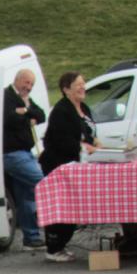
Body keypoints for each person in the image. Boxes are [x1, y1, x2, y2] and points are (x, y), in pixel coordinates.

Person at [38, 71, 101, 262]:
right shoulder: (61, 111)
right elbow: (60, 141)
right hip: (58, 165)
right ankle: (54, 247)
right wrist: (85, 147)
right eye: (78, 85)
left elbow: (90, 132)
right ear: (66, 89)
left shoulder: (84, 108)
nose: (83, 87)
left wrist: (97, 143)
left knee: (73, 206)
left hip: (78, 165)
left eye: (84, 84)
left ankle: (62, 244)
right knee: (62, 206)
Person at [2, 68, 47, 250]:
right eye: (26, 82)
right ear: (17, 80)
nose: (28, 87)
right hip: (13, 154)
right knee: (43, 182)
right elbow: (8, 119)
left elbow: (41, 115)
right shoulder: (6, 96)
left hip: (26, 152)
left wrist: (26, 110)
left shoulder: (24, 100)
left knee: (26, 195)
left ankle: (31, 237)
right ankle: (55, 226)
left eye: (31, 84)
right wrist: (28, 117)